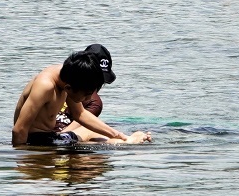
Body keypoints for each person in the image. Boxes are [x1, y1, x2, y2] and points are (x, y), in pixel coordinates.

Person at [11, 44, 150, 146]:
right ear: (69, 88)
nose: (89, 99)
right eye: (86, 95)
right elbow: (19, 130)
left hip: (48, 136)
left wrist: (120, 134)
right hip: (37, 141)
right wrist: (27, 164)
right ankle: (129, 143)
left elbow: (80, 114)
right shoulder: (45, 86)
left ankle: (126, 140)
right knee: (91, 142)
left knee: (92, 132)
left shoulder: (67, 75)